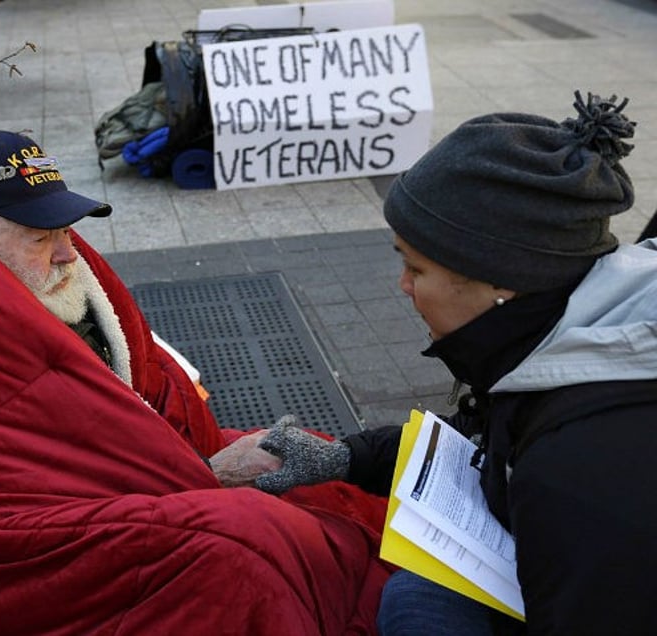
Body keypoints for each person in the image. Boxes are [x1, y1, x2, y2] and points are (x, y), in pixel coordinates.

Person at [0, 129, 394, 635]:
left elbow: (142, 403)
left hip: (152, 480)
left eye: (65, 228)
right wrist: (208, 479)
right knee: (238, 546)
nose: (65, 252)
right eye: (39, 237)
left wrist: (207, 464)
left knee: (307, 463)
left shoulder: (50, 272)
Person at [213, 91, 657, 635]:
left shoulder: (580, 475)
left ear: (501, 279)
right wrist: (345, 457)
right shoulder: (572, 324)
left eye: (417, 269)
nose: (403, 287)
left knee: (414, 601)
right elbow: (487, 434)